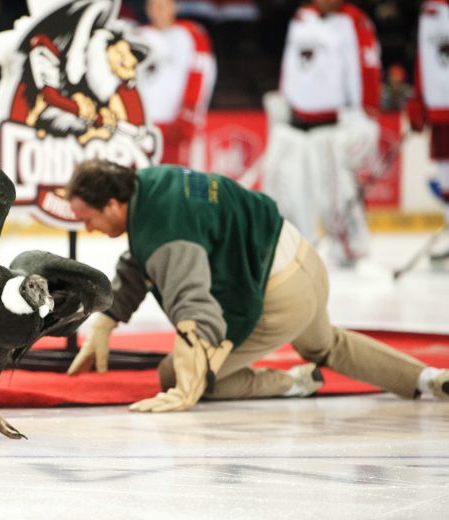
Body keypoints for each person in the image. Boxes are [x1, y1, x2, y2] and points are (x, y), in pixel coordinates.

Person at [65, 159, 448, 412]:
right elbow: (143, 254)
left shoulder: (166, 236)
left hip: (277, 294)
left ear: (114, 205)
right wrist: (108, 320)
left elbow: (196, 309)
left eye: (88, 219)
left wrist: (186, 385)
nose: (89, 229)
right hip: (304, 261)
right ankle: (428, 380)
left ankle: (294, 383)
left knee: (176, 374)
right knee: (326, 345)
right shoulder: (150, 183)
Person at [262, 0, 381, 267]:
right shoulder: (302, 17)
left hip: (333, 124)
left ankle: (350, 248)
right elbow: (290, 65)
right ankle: (294, 244)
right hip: (295, 122)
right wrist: (284, 97)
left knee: (335, 194)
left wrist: (367, 116)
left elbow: (367, 69)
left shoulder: (355, 21)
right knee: (282, 186)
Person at [135, 0, 215, 167]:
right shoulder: (136, 36)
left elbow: (203, 72)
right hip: (144, 124)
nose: (160, 11)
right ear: (147, 10)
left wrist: (189, 112)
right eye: (155, 6)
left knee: (178, 177)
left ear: (174, 7)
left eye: (164, 5)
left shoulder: (192, 33)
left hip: (178, 122)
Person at [407, 0, 449, 264]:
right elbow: (425, 58)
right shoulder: (428, 15)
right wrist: (419, 99)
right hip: (441, 110)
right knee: (446, 179)